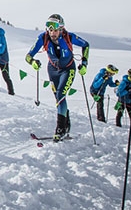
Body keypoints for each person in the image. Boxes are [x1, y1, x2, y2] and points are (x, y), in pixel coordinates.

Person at [25, 13, 90, 141]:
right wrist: (33, 62)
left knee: (60, 95)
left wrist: (84, 63)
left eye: (55, 30)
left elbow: (86, 45)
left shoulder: (69, 37)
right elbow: (28, 56)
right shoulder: (42, 38)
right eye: (50, 30)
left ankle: (60, 129)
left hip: (68, 69)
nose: (52, 33)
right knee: (58, 97)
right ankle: (66, 124)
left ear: (61, 29)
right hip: (53, 70)